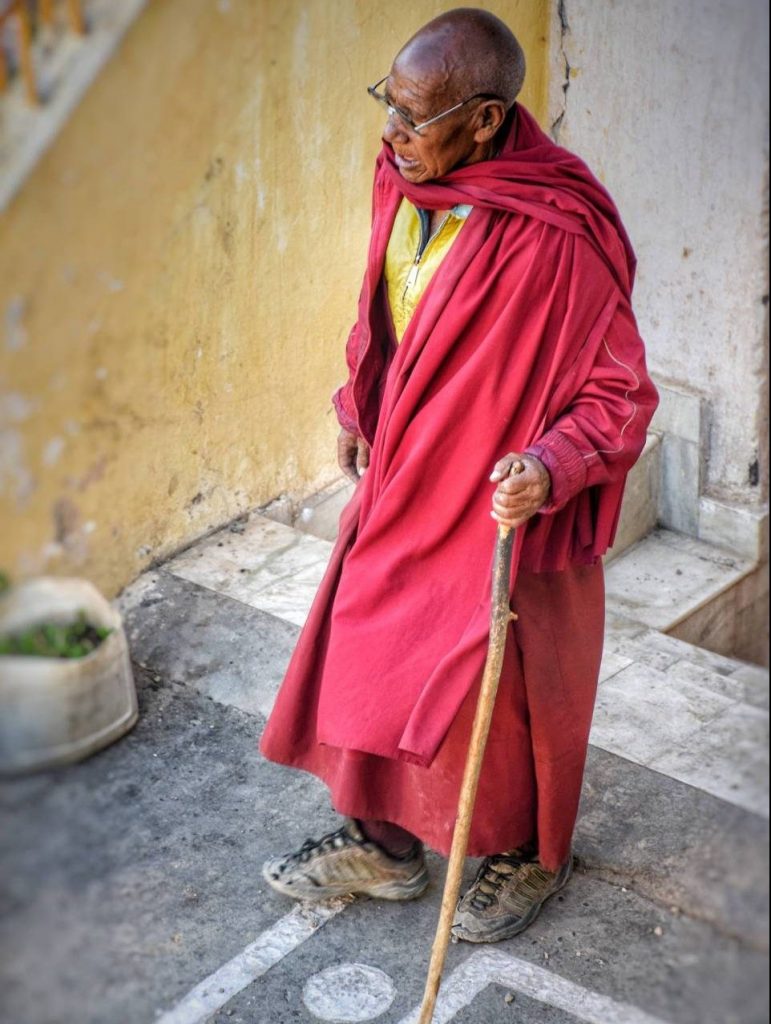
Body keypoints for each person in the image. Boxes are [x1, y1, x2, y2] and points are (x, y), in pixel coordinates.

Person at [259, 8, 658, 944]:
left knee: (510, 695)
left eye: (416, 116)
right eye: (387, 105)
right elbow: (386, 312)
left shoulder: (556, 227)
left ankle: (527, 859)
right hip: (407, 481)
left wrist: (550, 463)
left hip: (502, 508)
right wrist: (362, 404)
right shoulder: (404, 173)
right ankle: (385, 847)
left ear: (483, 120)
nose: (392, 133)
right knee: (370, 656)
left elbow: (619, 392)